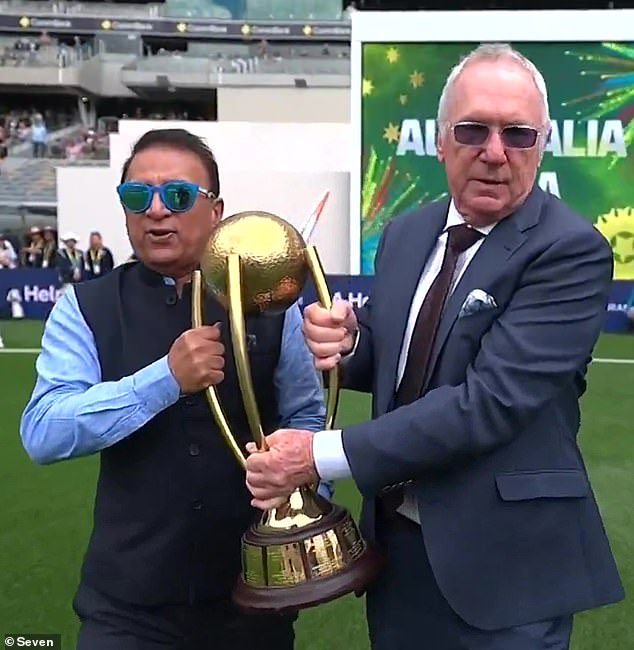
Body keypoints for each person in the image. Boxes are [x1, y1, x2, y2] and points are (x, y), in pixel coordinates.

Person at [244, 43, 625, 650]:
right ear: (441, 140)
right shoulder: (406, 232)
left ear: (541, 145)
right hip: (399, 557)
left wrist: (319, 455)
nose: (495, 152)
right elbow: (403, 364)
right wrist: (350, 345)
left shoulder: (571, 250)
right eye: (473, 129)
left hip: (505, 572)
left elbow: (488, 402)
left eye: (518, 134)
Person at [20, 128, 328, 650]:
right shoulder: (86, 306)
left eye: (178, 195)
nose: (156, 211)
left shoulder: (274, 304)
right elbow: (44, 431)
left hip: (252, 597)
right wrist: (164, 380)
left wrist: (301, 504)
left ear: (216, 210)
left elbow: (306, 417)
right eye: (137, 196)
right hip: (126, 609)